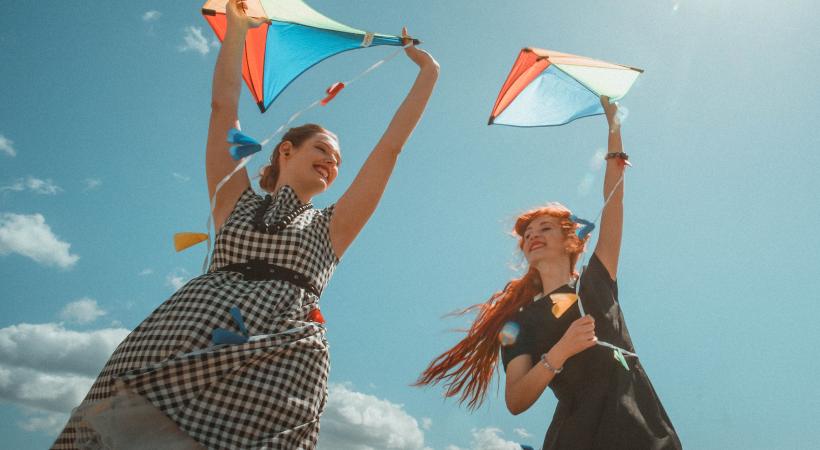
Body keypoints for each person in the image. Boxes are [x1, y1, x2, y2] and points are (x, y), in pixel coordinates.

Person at [52, 1, 438, 448]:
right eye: (323, 149)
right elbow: (223, 110)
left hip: (277, 358)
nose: (333, 162)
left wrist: (427, 73)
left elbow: (389, 149)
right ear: (286, 151)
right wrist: (237, 29)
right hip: (182, 335)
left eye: (338, 161)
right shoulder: (234, 199)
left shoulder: (334, 225)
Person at [416, 97, 681, 449]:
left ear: (571, 241)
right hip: (579, 436)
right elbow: (516, 400)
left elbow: (614, 197)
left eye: (545, 229)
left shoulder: (596, 281)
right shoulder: (520, 322)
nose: (533, 237)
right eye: (528, 235)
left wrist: (614, 123)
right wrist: (561, 351)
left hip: (643, 430)